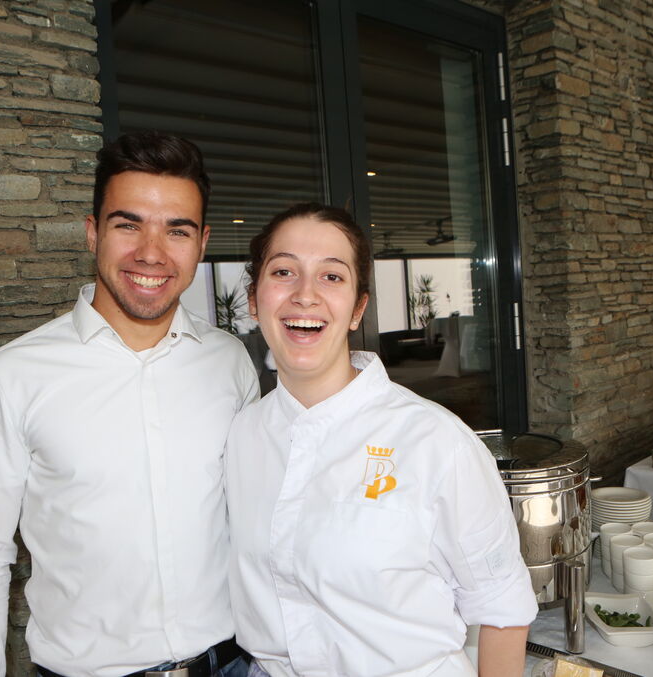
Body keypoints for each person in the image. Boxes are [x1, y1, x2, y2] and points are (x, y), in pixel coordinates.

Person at [0, 131, 259, 677]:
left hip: (232, 664)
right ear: (93, 233)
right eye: (128, 225)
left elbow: (256, 520)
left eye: (177, 230)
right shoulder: (12, 375)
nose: (151, 252)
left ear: (202, 243)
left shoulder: (229, 360)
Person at [225, 203, 537, 677]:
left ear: (358, 308)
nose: (305, 295)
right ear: (254, 299)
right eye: (284, 271)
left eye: (332, 276)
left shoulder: (435, 441)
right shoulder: (243, 435)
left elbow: (502, 607)